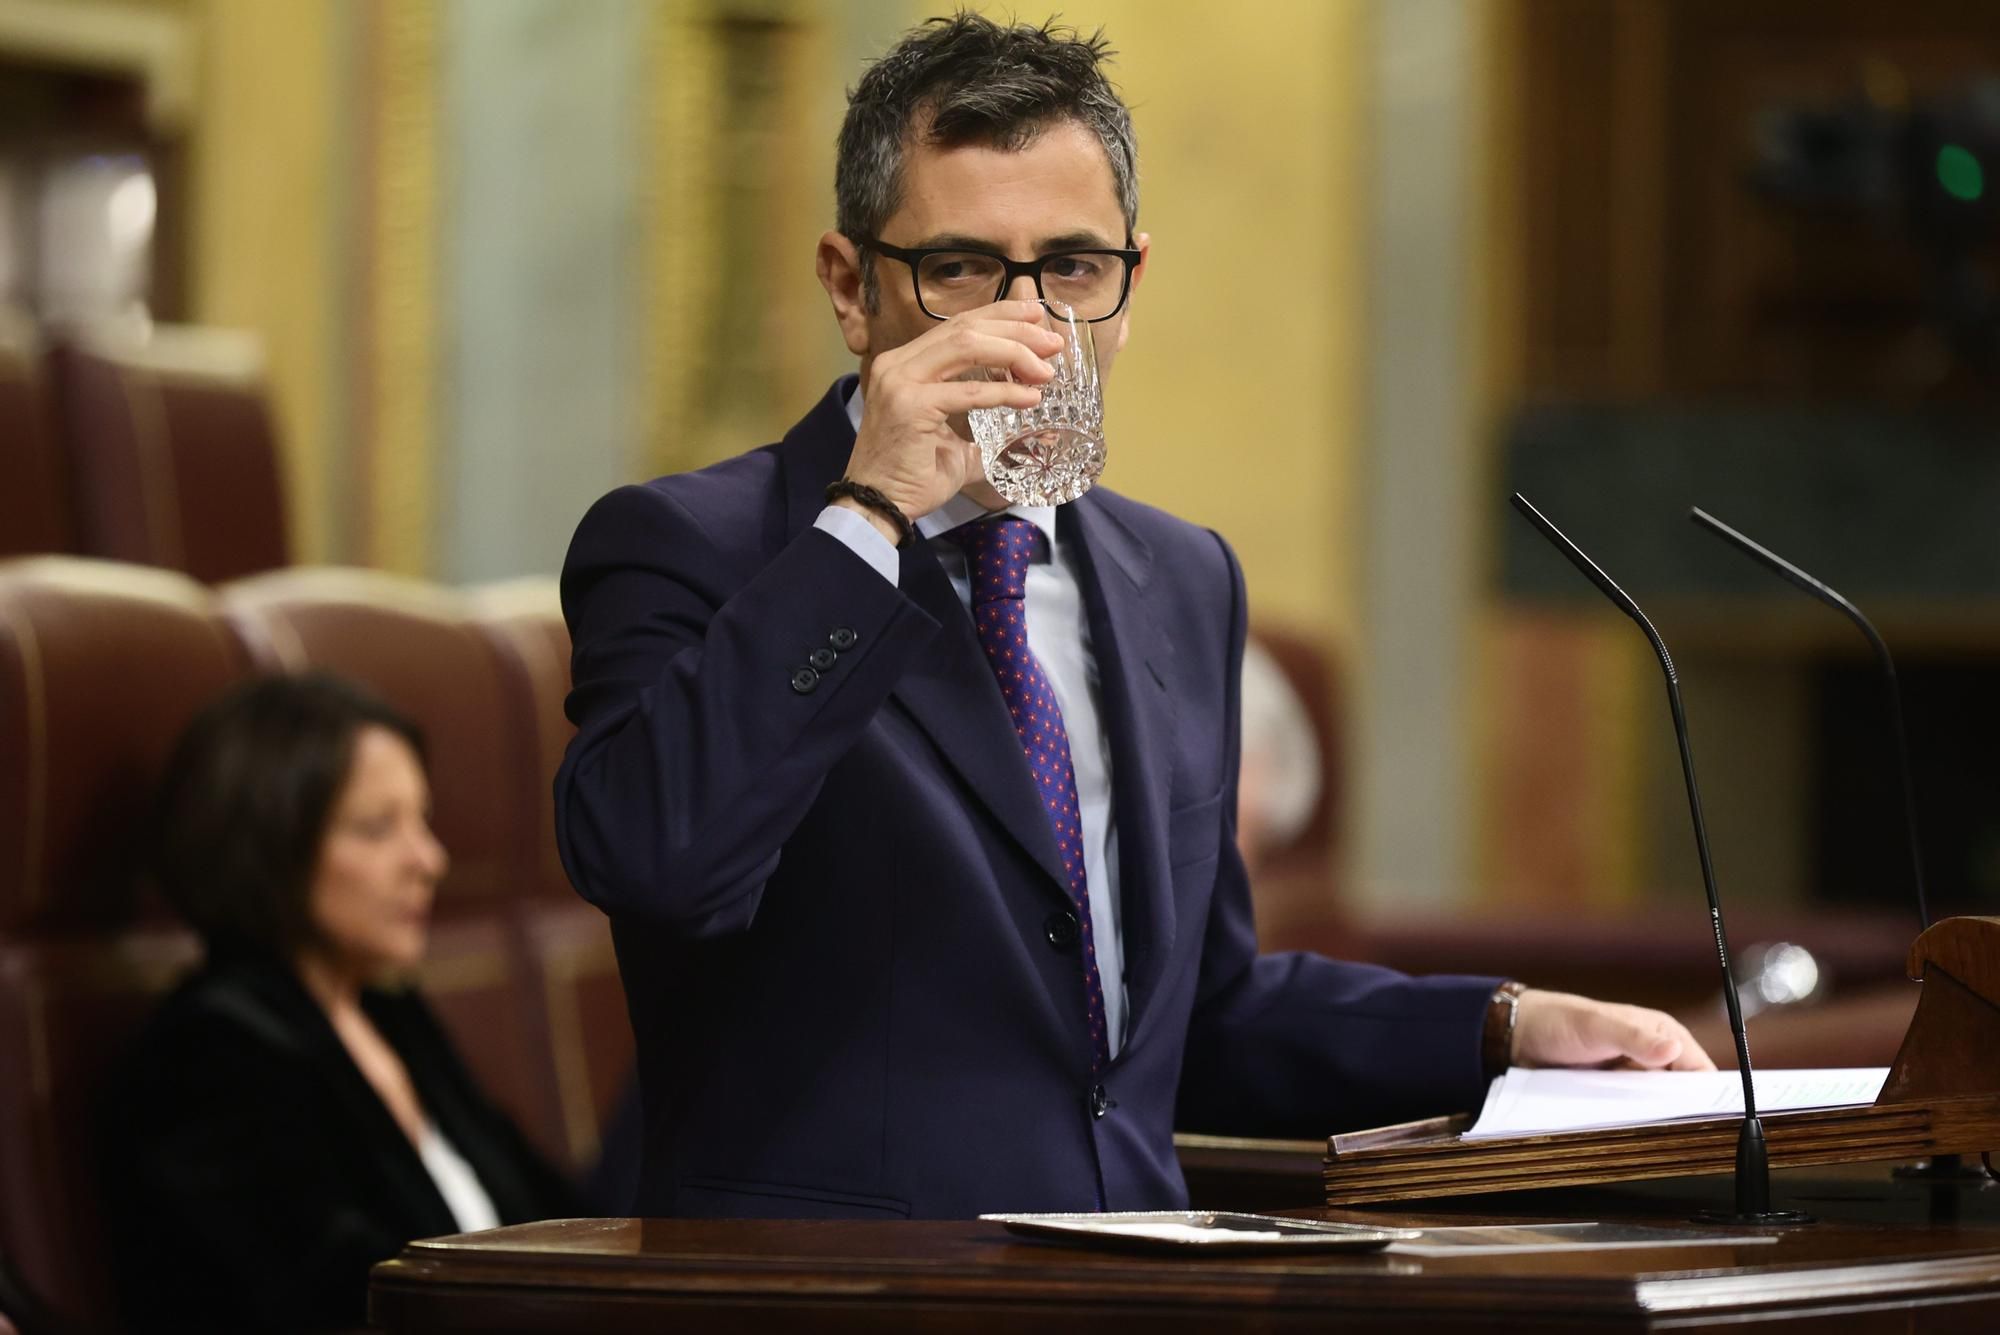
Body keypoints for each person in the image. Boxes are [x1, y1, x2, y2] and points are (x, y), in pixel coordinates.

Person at [554, 12, 1711, 1222]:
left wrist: (1506, 1028)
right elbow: (658, 864)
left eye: (1071, 268)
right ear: (852, 289)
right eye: (959, 269)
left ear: (1129, 282)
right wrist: (871, 515)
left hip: (1132, 1276)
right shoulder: (692, 546)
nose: (1033, 325)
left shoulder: (1180, 575)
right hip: (840, 1293)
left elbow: (1195, 1016)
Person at [100, 674, 576, 1332]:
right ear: (271, 846)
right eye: (378, 828)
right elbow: (325, 1302)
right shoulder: (207, 1057)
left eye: (422, 820)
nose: (429, 859)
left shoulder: (390, 1013)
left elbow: (557, 1222)